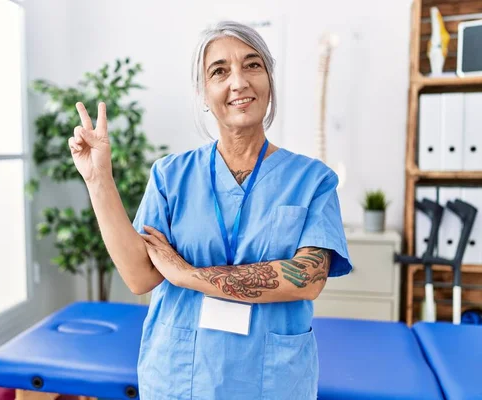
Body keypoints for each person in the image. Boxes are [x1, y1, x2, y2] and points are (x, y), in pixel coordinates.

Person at [68, 20, 353, 400]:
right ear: (205, 93)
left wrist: (187, 274)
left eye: (252, 65)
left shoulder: (313, 180)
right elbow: (140, 277)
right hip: (179, 375)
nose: (239, 81)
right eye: (220, 71)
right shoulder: (171, 175)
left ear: (269, 80)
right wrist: (98, 178)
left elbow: (306, 279)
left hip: (272, 380)